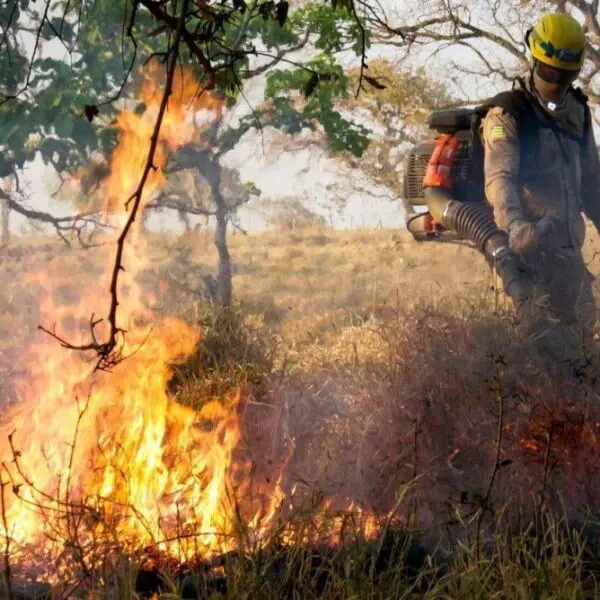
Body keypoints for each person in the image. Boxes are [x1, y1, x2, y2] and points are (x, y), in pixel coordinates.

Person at [481, 12, 600, 374]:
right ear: (535, 61)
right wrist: (516, 227)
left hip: (568, 253)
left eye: (564, 76)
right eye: (549, 72)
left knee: (582, 345)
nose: (555, 81)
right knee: (537, 352)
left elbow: (593, 180)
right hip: (525, 253)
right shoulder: (508, 114)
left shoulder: (577, 111)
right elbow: (499, 178)